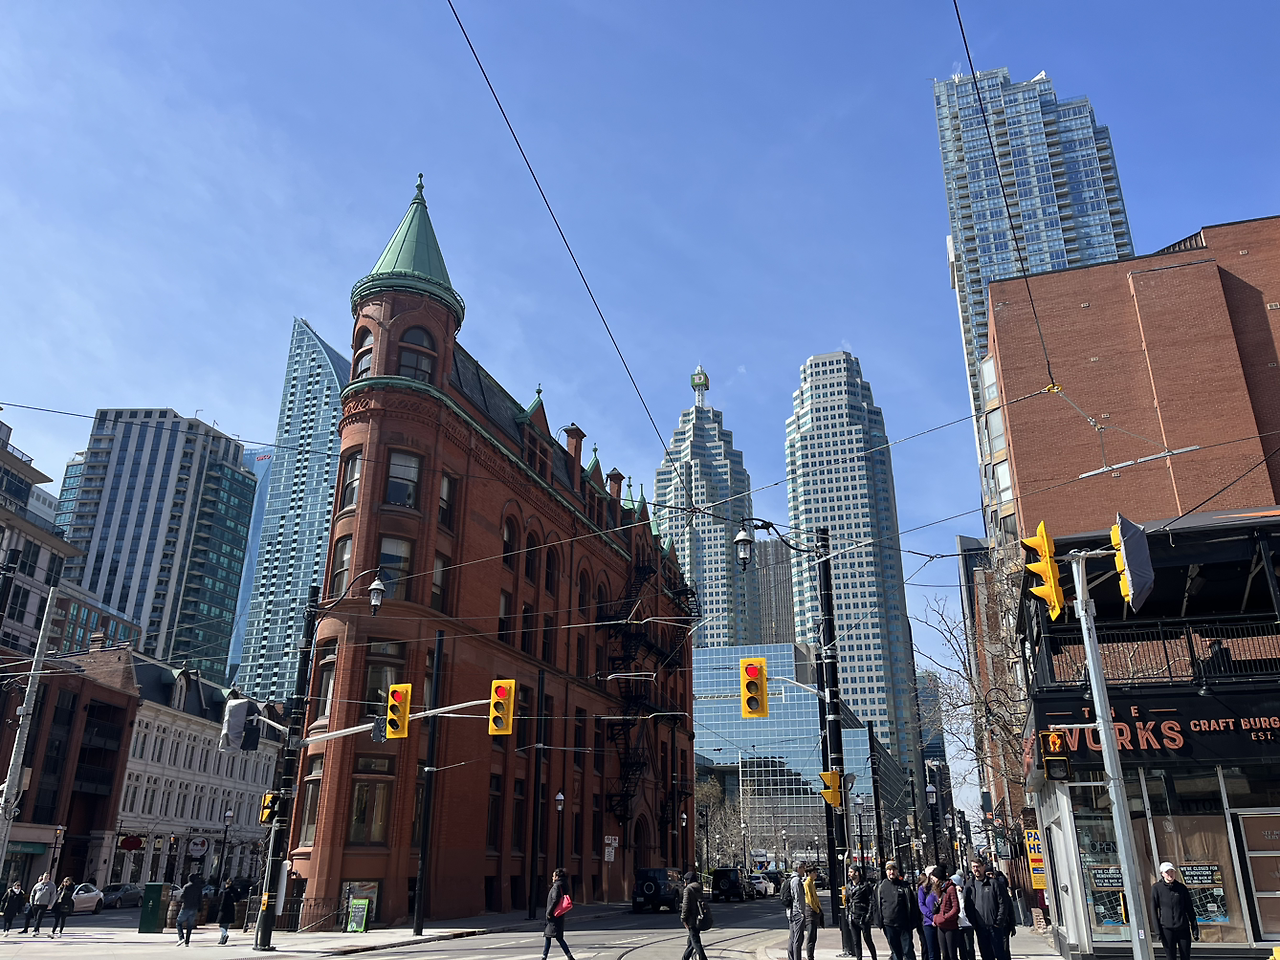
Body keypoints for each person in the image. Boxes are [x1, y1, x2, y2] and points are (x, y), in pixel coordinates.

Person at [963, 859, 1011, 960]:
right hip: (980, 928)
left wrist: (998, 922)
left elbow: (1003, 903)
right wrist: (974, 923)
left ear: (983, 867)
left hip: (995, 927)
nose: (976, 869)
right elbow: (967, 906)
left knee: (1000, 955)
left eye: (978, 866)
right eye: (973, 867)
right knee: (986, 956)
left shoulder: (994, 884)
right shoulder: (969, 886)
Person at [1151, 862, 1199, 960]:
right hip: (1166, 929)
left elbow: (1190, 909)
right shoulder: (1156, 888)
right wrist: (1158, 931)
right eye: (1167, 872)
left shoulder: (1181, 888)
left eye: (1172, 871)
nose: (1170, 874)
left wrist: (1194, 928)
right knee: (1171, 957)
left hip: (1183, 928)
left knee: (1185, 956)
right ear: (1162, 873)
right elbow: (1153, 910)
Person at [876, 860, 920, 960]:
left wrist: (913, 921)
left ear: (897, 871)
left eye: (893, 869)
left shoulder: (904, 886)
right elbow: (876, 904)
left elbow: (912, 904)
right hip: (888, 925)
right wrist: (879, 922)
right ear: (886, 871)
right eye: (889, 870)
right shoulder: (880, 887)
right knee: (895, 952)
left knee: (908, 951)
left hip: (904, 924)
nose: (891, 872)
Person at [542, 868, 575, 960]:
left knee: (553, 937)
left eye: (553, 876)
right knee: (552, 937)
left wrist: (549, 912)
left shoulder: (557, 886)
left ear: (557, 877)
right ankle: (568, 956)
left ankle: (545, 956)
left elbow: (555, 900)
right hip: (559, 914)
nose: (552, 878)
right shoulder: (563, 885)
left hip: (554, 915)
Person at [846, 867, 877, 960]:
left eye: (851, 872)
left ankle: (874, 958)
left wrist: (868, 916)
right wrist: (848, 914)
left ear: (857, 873)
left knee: (868, 940)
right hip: (853, 917)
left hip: (862, 917)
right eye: (849, 872)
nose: (849, 874)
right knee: (856, 942)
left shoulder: (865, 886)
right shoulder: (848, 886)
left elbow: (871, 901)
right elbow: (847, 901)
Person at [933, 868, 960, 960]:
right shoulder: (940, 890)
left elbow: (956, 908)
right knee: (944, 954)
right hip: (940, 926)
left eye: (934, 877)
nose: (932, 879)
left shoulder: (950, 888)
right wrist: (936, 918)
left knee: (952, 954)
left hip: (950, 926)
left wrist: (945, 917)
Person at [680, 871, 708, 960]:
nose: (684, 882)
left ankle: (703, 958)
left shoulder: (688, 889)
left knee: (695, 942)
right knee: (691, 942)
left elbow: (685, 905)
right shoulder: (698, 888)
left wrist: (683, 918)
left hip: (691, 920)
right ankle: (685, 958)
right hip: (699, 918)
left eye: (685, 880)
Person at [950, 873, 975, 960]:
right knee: (962, 949)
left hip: (967, 924)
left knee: (969, 948)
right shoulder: (951, 893)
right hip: (957, 924)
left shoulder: (965, 892)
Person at [786, 864, 807, 960]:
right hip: (797, 913)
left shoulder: (791, 879)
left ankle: (791, 957)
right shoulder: (796, 880)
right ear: (799, 868)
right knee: (798, 938)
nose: (804, 871)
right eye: (803, 868)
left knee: (792, 938)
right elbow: (799, 898)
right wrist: (802, 912)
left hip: (791, 912)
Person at [175, 874, 203, 946]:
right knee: (189, 926)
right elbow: (200, 899)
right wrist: (200, 907)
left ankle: (181, 938)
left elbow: (182, 896)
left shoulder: (186, 887)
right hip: (194, 908)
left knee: (178, 922)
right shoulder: (198, 888)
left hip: (186, 907)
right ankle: (187, 942)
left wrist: (183, 900)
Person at [804, 864, 825, 960]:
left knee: (814, 936)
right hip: (810, 912)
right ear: (809, 873)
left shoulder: (812, 883)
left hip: (814, 911)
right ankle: (810, 957)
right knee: (811, 936)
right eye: (814, 872)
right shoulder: (807, 883)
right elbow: (809, 899)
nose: (816, 874)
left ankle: (811, 955)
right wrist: (816, 910)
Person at [919, 869, 940, 960]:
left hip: (940, 921)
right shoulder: (923, 888)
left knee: (939, 951)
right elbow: (921, 905)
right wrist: (932, 917)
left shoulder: (940, 887)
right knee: (932, 952)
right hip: (928, 923)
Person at [216, 879, 239, 946]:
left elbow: (223, 901)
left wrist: (220, 909)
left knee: (221, 925)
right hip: (231, 909)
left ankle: (225, 934)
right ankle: (222, 940)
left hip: (224, 909)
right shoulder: (234, 891)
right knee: (226, 925)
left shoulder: (226, 892)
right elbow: (238, 898)